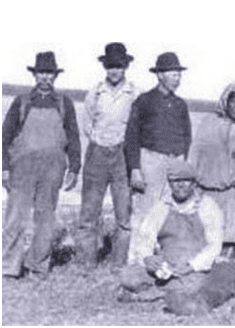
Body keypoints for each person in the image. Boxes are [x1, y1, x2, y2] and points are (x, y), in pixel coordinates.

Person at [2, 51, 81, 279]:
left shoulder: (64, 104)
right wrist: (5, 168)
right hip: (22, 168)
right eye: (41, 73)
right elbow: (5, 137)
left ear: (55, 76)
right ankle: (8, 266)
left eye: (49, 73)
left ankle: (38, 265)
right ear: (34, 75)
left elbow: (74, 137)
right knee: (15, 217)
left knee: (45, 217)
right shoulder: (22, 101)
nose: (45, 78)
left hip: (53, 168)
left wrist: (74, 167)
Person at [120, 160, 235, 315]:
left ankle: (153, 294)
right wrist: (148, 258)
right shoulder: (162, 207)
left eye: (186, 180)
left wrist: (191, 266)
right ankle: (166, 293)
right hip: (166, 268)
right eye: (176, 181)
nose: (181, 185)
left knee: (200, 283)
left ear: (194, 183)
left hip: (194, 269)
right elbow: (145, 237)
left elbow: (214, 246)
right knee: (127, 276)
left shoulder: (207, 206)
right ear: (169, 183)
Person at [75, 43, 138, 268]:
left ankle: (119, 263)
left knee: (124, 212)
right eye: (110, 66)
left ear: (126, 67)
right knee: (89, 211)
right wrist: (99, 142)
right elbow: (87, 123)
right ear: (105, 67)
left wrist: (122, 146)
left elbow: (135, 126)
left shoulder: (133, 93)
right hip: (97, 154)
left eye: (118, 66)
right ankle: (87, 262)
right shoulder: (95, 92)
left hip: (122, 155)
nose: (114, 71)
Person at [125, 52, 191, 261]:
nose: (177, 78)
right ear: (160, 75)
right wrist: (135, 168)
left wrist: (182, 166)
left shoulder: (181, 105)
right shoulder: (144, 101)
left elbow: (187, 136)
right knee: (144, 212)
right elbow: (132, 137)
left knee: (170, 211)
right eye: (173, 74)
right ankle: (137, 260)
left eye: (179, 75)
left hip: (175, 162)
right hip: (150, 161)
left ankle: (164, 259)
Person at [189, 82, 235, 245]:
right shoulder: (209, 122)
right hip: (207, 189)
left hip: (232, 193)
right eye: (234, 101)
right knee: (204, 234)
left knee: (228, 236)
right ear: (226, 102)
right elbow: (196, 151)